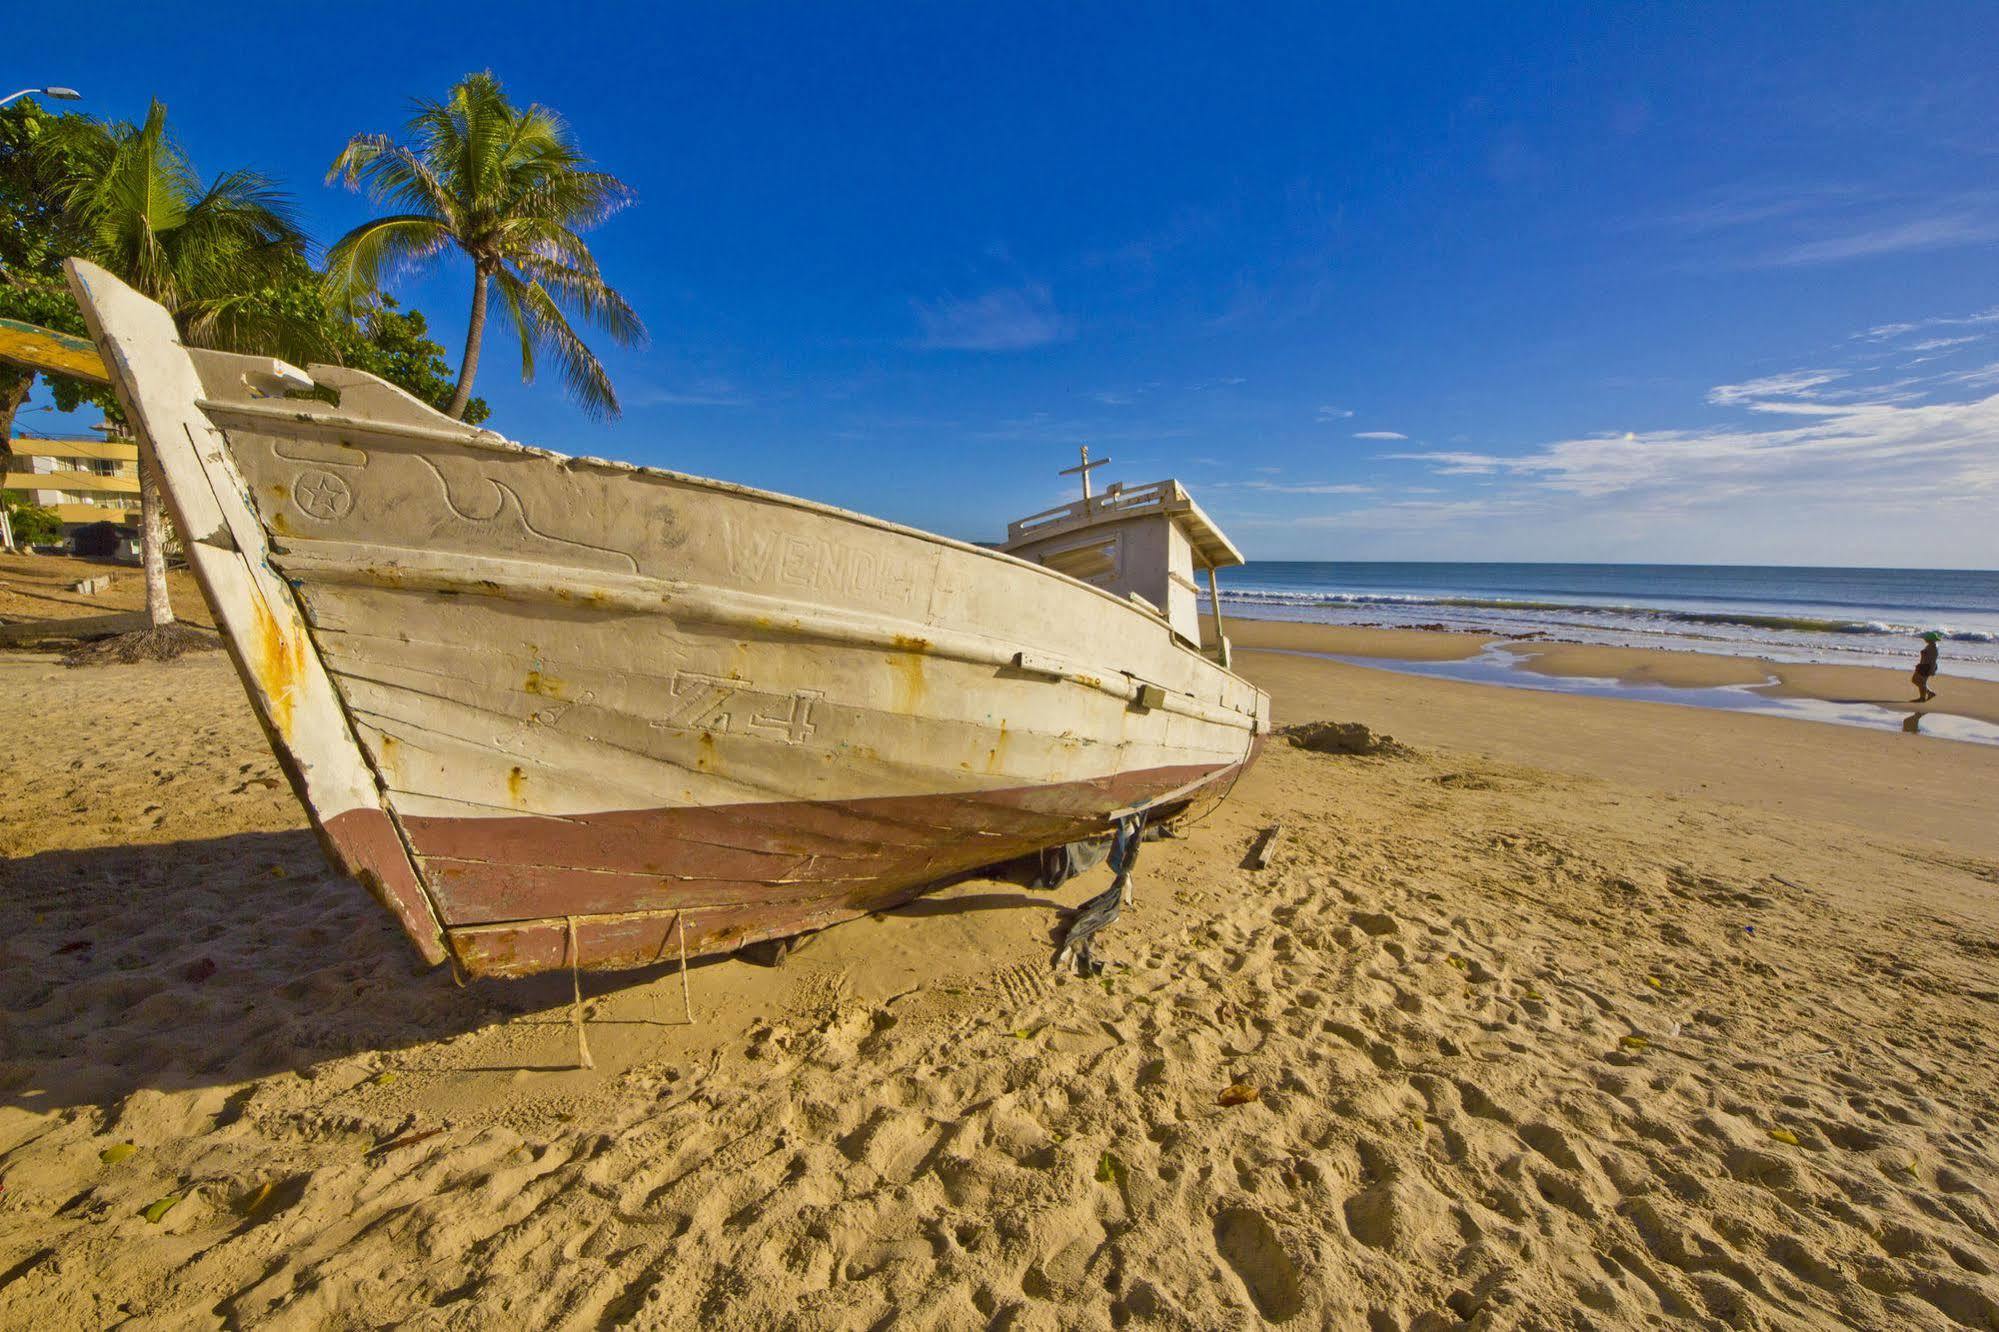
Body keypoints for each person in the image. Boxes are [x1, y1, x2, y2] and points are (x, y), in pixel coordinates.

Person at [1912, 631, 1941, 703]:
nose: (1924, 639)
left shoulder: (1932, 646)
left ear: (1930, 639)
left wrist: (1929, 668)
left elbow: (1930, 659)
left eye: (1926, 638)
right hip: (1926, 666)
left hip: (1926, 667)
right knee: (1917, 680)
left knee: (1919, 681)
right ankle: (1929, 693)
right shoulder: (1932, 645)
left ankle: (1923, 698)